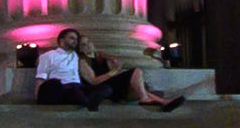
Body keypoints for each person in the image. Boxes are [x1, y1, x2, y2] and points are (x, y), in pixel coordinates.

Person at [31, 29, 187, 111]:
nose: (77, 42)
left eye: (78, 40)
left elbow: (96, 52)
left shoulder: (78, 55)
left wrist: (111, 57)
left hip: (82, 85)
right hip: (69, 86)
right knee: (73, 91)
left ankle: (162, 102)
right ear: (61, 40)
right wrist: (38, 96)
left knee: (114, 85)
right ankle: (89, 102)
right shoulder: (54, 56)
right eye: (73, 39)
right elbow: (41, 78)